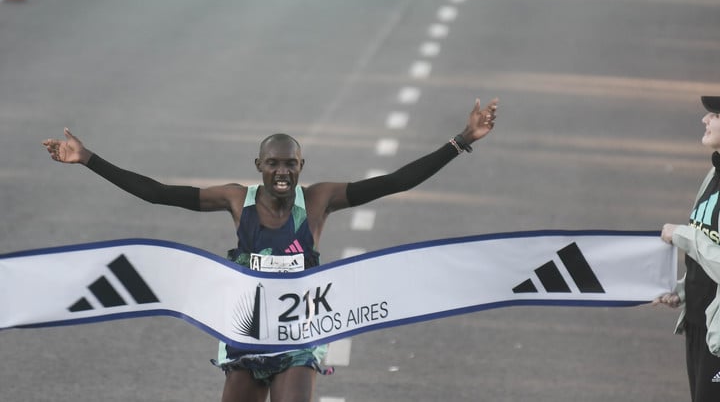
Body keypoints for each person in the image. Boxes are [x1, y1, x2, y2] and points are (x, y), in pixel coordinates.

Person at [41, 97, 498, 402]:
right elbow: (158, 193)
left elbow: (395, 182)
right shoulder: (235, 199)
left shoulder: (319, 200)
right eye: (274, 163)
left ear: (302, 166)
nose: (283, 171)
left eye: (291, 164)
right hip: (245, 334)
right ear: (258, 166)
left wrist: (461, 141)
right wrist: (88, 159)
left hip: (299, 335)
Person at [656, 95, 720, 402]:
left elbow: (701, 243)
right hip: (700, 324)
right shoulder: (713, 174)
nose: (705, 120)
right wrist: (683, 290)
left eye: (715, 115)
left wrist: (682, 236)